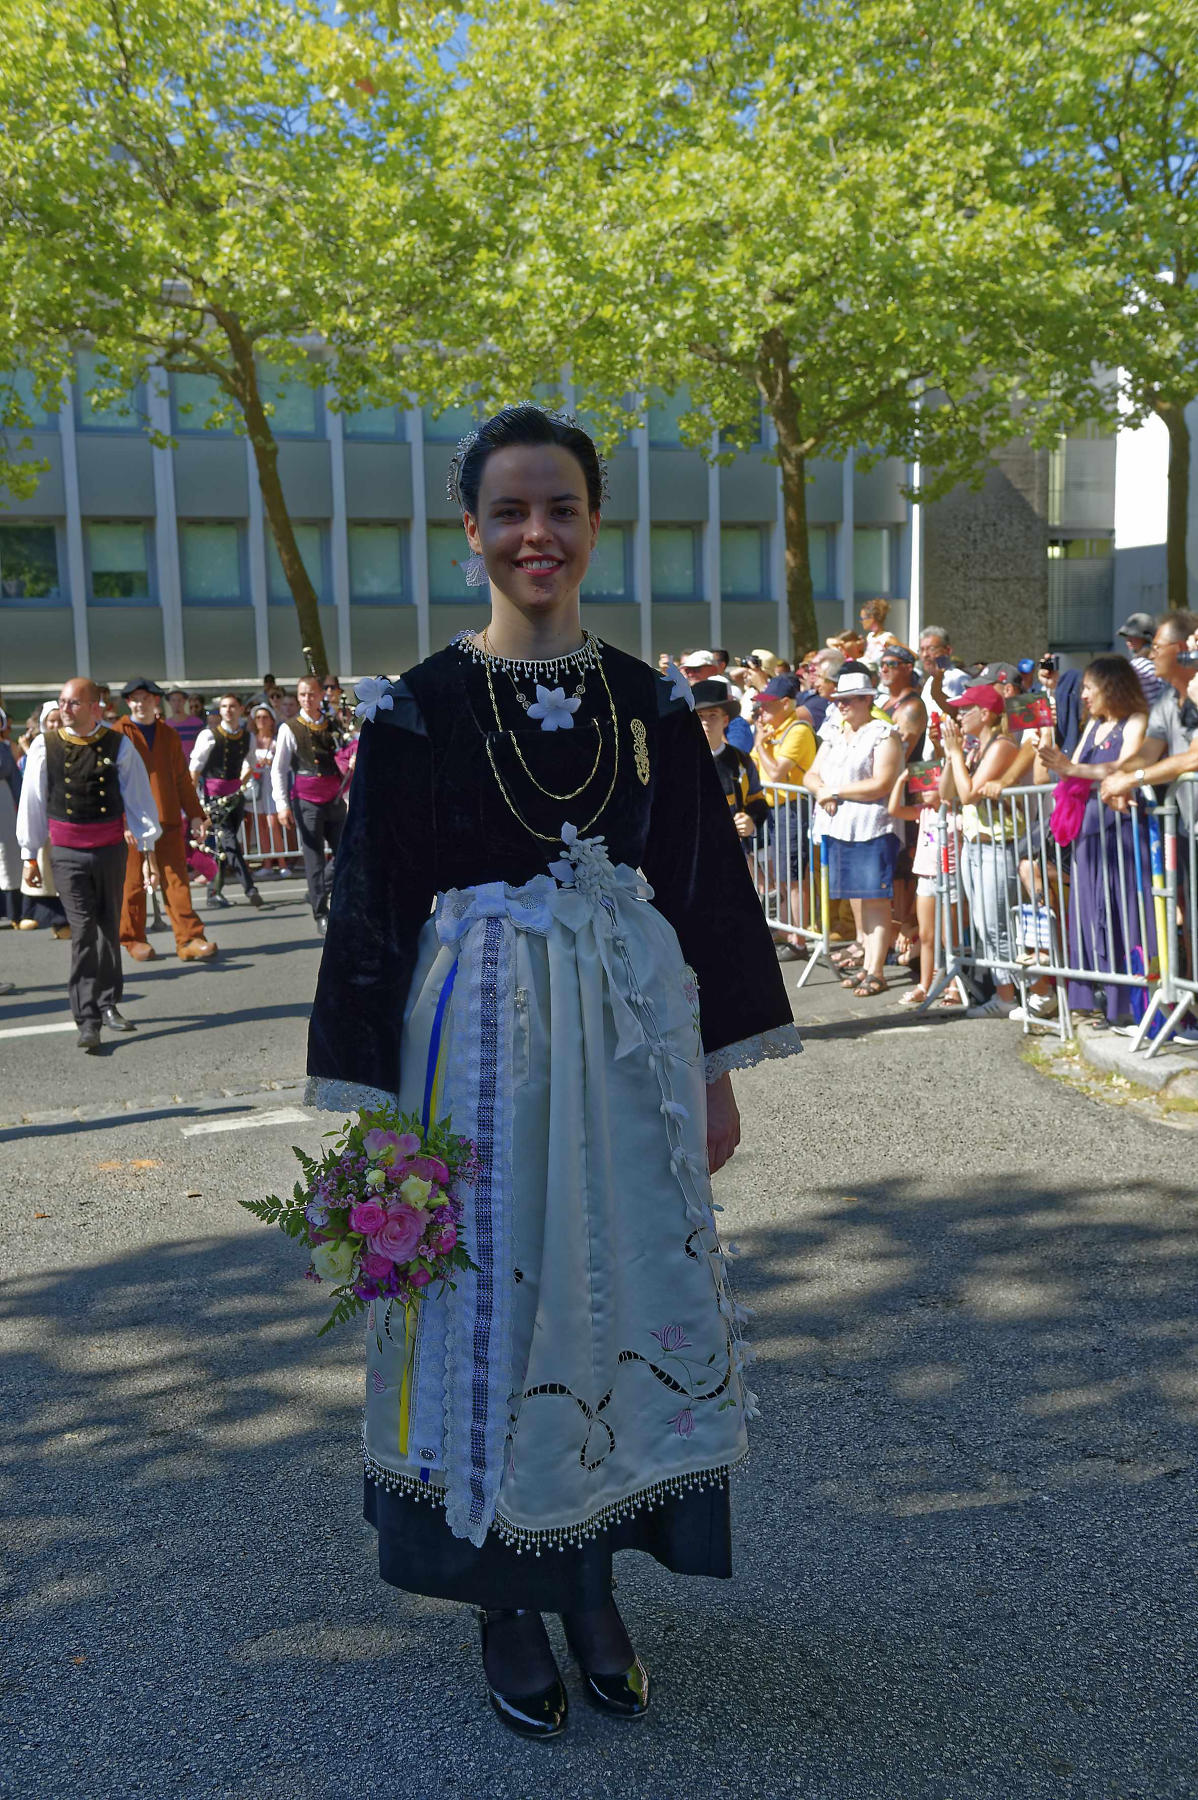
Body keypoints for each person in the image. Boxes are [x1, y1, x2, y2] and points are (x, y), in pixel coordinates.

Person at [305, 404, 800, 1739]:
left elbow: (705, 888)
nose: (538, 534)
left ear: (592, 524)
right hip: (471, 1051)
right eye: (511, 511)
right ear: (470, 533)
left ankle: (590, 1586)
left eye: (561, 508)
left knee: (612, 1293)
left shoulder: (648, 703)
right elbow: (370, 914)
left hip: (624, 1049)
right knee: (490, 1306)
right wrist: (369, 1123)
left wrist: (712, 1068)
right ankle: (504, 1602)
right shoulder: (418, 706)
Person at [16, 677, 160, 1051]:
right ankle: (87, 1017)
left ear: (95, 708)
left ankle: (109, 1001)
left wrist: (147, 852)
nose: (64, 708)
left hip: (110, 848)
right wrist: (29, 853)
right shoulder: (43, 746)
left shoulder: (118, 744)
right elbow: (31, 802)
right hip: (67, 852)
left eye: (73, 703)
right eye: (62, 702)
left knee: (110, 927)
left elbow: (139, 800)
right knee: (82, 931)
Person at [1038, 656, 1153, 1025]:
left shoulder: (1135, 722)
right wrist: (1050, 746)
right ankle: (1095, 997)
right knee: (1089, 912)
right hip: (1088, 833)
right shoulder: (1094, 727)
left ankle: (1126, 1002)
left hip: (1117, 831)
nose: (1083, 695)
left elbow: (1123, 766)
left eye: (1090, 687)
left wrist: (1071, 768)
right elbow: (1070, 771)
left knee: (1120, 913)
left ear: (1112, 686)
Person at [803, 667, 904, 995]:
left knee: (875, 901)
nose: (842, 705)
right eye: (839, 700)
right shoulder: (833, 732)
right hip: (840, 828)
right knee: (861, 900)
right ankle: (867, 966)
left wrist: (834, 791)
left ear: (866, 700)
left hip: (872, 828)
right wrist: (822, 790)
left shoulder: (883, 733)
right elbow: (811, 774)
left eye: (849, 700)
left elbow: (881, 783)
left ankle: (876, 970)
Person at [113, 679, 217, 963]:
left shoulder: (168, 735)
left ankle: (189, 939)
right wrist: (121, 821)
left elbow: (182, 778)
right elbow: (112, 783)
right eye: (134, 699)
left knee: (176, 880)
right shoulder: (117, 734)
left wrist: (195, 813)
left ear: (155, 702)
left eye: (145, 698)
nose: (140, 703)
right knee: (133, 884)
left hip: (167, 818)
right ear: (128, 702)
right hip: (132, 822)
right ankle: (133, 939)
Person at [938, 684, 1020, 1017]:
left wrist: (957, 754)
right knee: (983, 923)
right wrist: (950, 753)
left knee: (995, 924)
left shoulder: (1001, 744)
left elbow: (968, 794)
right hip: (974, 845)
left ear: (985, 714)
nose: (958, 715)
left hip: (997, 845)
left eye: (964, 709)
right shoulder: (972, 747)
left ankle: (1007, 996)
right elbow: (947, 792)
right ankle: (1003, 993)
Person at [1101, 611, 1198, 830]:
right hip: (1189, 831)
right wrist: (1120, 775)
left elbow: (1194, 759)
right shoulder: (1166, 701)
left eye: (1156, 647)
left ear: (1181, 648)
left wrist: (1132, 780)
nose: (1151, 656)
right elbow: (1146, 754)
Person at [272, 675, 347, 935]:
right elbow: (279, 770)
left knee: (345, 851)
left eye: (311, 694)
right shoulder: (289, 728)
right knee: (313, 857)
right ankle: (320, 912)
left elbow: (344, 756)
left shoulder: (334, 725)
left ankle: (321, 891)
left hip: (335, 798)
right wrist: (281, 804)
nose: (307, 699)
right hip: (306, 801)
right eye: (302, 695)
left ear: (320, 695)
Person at [751, 674, 819, 958]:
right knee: (781, 874)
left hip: (793, 808)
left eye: (768, 705)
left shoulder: (798, 730)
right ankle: (787, 928)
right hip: (774, 807)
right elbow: (756, 766)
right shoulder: (774, 730)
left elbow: (777, 771)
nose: (761, 711)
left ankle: (799, 940)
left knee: (793, 877)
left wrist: (760, 744)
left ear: (787, 704)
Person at [190, 695, 264, 911]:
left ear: (240, 709)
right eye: (224, 707)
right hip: (214, 799)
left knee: (223, 847)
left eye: (232, 706)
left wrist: (239, 785)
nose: (228, 710)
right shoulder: (209, 735)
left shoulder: (247, 737)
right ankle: (250, 889)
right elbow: (194, 769)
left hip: (235, 799)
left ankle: (214, 892)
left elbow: (251, 764)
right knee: (229, 842)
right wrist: (194, 800)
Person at [692, 678, 769, 849]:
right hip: (691, 851)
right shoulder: (678, 760)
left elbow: (757, 801)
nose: (706, 722)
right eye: (699, 716)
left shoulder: (741, 760)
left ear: (725, 720)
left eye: (713, 715)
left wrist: (751, 820)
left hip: (732, 850)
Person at [917, 626, 969, 757]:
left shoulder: (959, 678)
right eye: (922, 649)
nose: (925, 655)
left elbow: (958, 715)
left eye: (931, 649)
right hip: (931, 757)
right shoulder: (929, 681)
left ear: (948, 650)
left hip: (953, 756)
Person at [1116, 611, 1165, 708]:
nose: (1128, 640)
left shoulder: (1141, 665)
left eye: (1133, 636)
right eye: (1126, 636)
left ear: (1146, 638)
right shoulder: (1159, 662)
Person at [876, 646, 921, 718]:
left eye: (891, 664)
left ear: (908, 668)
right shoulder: (886, 703)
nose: (884, 669)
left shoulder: (911, 706)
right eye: (882, 664)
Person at [164, 688, 204, 759]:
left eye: (179, 700)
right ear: (169, 702)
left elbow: (203, 747)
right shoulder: (165, 725)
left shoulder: (197, 723)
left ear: (185, 701)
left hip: (193, 767)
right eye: (173, 700)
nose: (176, 703)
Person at [859, 598, 899, 666]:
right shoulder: (870, 636)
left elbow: (907, 654)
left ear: (871, 618)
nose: (861, 621)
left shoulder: (887, 638)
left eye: (862, 618)